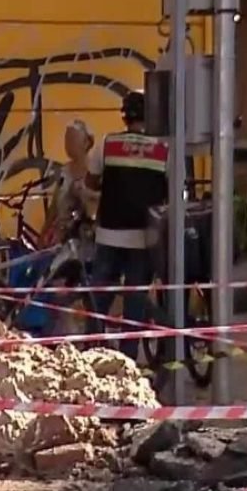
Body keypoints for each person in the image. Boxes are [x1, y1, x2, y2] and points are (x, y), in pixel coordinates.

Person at [85, 90, 169, 362]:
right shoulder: (164, 148)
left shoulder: (107, 144)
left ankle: (90, 355)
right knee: (134, 302)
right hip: (143, 238)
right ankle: (129, 363)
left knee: (99, 299)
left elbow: (90, 181)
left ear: (125, 116)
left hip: (108, 235)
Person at [42, 119, 97, 246]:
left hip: (86, 238)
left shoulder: (94, 171)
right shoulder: (64, 172)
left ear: (86, 142)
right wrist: (44, 231)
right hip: (62, 238)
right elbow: (54, 205)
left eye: (73, 139)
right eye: (67, 140)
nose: (68, 144)